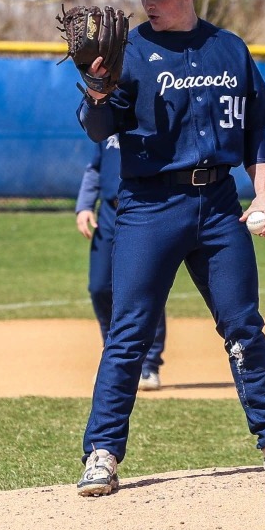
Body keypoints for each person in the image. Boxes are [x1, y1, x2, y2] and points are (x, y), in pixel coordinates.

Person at [72, 0, 265, 497]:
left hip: (217, 206)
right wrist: (97, 89)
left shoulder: (229, 50)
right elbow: (96, 129)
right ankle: (103, 453)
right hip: (148, 207)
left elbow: (256, 131)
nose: (148, 4)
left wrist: (264, 195)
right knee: (128, 333)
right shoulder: (127, 52)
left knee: (243, 326)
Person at [75, 135, 167, 389]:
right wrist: (84, 206)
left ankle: (147, 365)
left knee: (145, 288)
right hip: (109, 211)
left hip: (145, 208)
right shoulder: (107, 120)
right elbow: (96, 167)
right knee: (100, 286)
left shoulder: (150, 116)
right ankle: (114, 358)